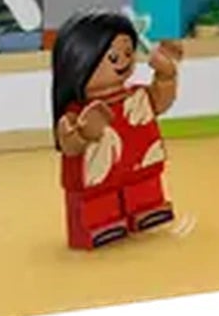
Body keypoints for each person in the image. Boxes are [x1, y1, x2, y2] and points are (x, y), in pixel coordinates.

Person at [50, 14, 182, 250]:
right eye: (113, 57)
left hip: (140, 165)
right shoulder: (78, 112)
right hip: (98, 177)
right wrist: (84, 133)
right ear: (81, 61)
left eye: (128, 53)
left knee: (144, 188)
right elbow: (69, 145)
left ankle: (146, 210)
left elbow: (160, 102)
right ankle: (99, 224)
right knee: (99, 202)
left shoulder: (136, 96)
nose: (123, 62)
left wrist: (166, 76)